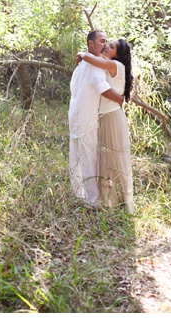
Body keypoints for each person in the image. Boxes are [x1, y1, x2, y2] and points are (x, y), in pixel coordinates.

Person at [76, 38, 135, 214]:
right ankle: (108, 200)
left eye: (111, 47)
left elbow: (92, 59)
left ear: (118, 54)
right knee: (104, 158)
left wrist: (82, 54)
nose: (106, 47)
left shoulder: (115, 65)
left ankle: (116, 203)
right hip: (105, 115)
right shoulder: (109, 65)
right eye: (107, 44)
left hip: (111, 117)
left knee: (112, 158)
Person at [69, 30, 124, 209]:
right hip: (79, 116)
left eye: (107, 42)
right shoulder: (88, 64)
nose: (105, 45)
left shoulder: (92, 63)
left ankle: (91, 201)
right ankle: (84, 198)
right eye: (101, 41)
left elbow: (100, 85)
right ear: (91, 44)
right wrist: (118, 98)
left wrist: (118, 97)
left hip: (82, 118)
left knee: (85, 160)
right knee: (81, 160)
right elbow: (101, 86)